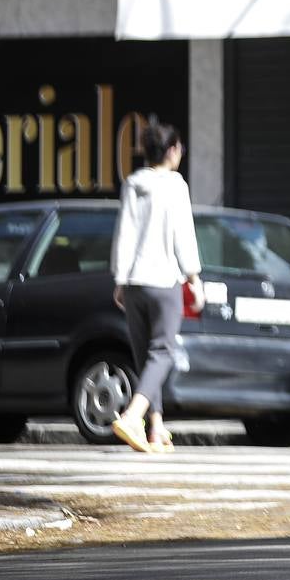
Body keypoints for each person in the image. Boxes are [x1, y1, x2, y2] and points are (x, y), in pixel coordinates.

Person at [109, 117, 205, 454]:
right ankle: (133, 416)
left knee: (146, 354)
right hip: (164, 281)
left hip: (134, 282)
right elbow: (184, 235)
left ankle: (156, 427)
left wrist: (120, 279)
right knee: (162, 351)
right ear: (173, 149)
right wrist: (194, 278)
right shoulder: (176, 185)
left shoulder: (133, 183)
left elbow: (124, 233)